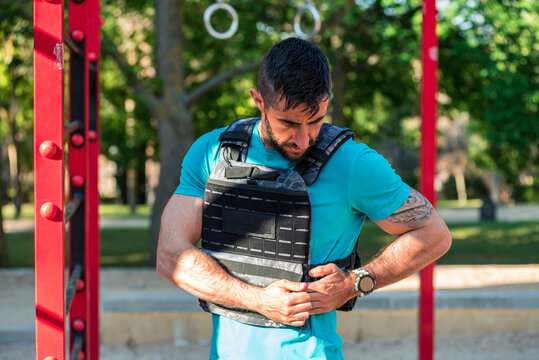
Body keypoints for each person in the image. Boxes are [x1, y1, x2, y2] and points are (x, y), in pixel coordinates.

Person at [157, 37, 451, 359]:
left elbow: (434, 234)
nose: (302, 139)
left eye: (315, 121)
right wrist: (258, 299)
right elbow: (171, 256)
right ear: (259, 102)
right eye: (289, 123)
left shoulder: (353, 164)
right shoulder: (212, 153)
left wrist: (356, 282)